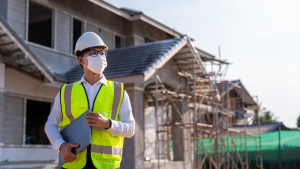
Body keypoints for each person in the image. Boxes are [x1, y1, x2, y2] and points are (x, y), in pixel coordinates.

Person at [45, 32, 135, 169]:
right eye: (94, 53)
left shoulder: (119, 91)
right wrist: (61, 146)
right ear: (81, 60)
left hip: (106, 165)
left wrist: (108, 124)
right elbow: (50, 124)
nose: (100, 57)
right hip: (73, 163)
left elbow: (131, 129)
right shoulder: (66, 91)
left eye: (102, 52)